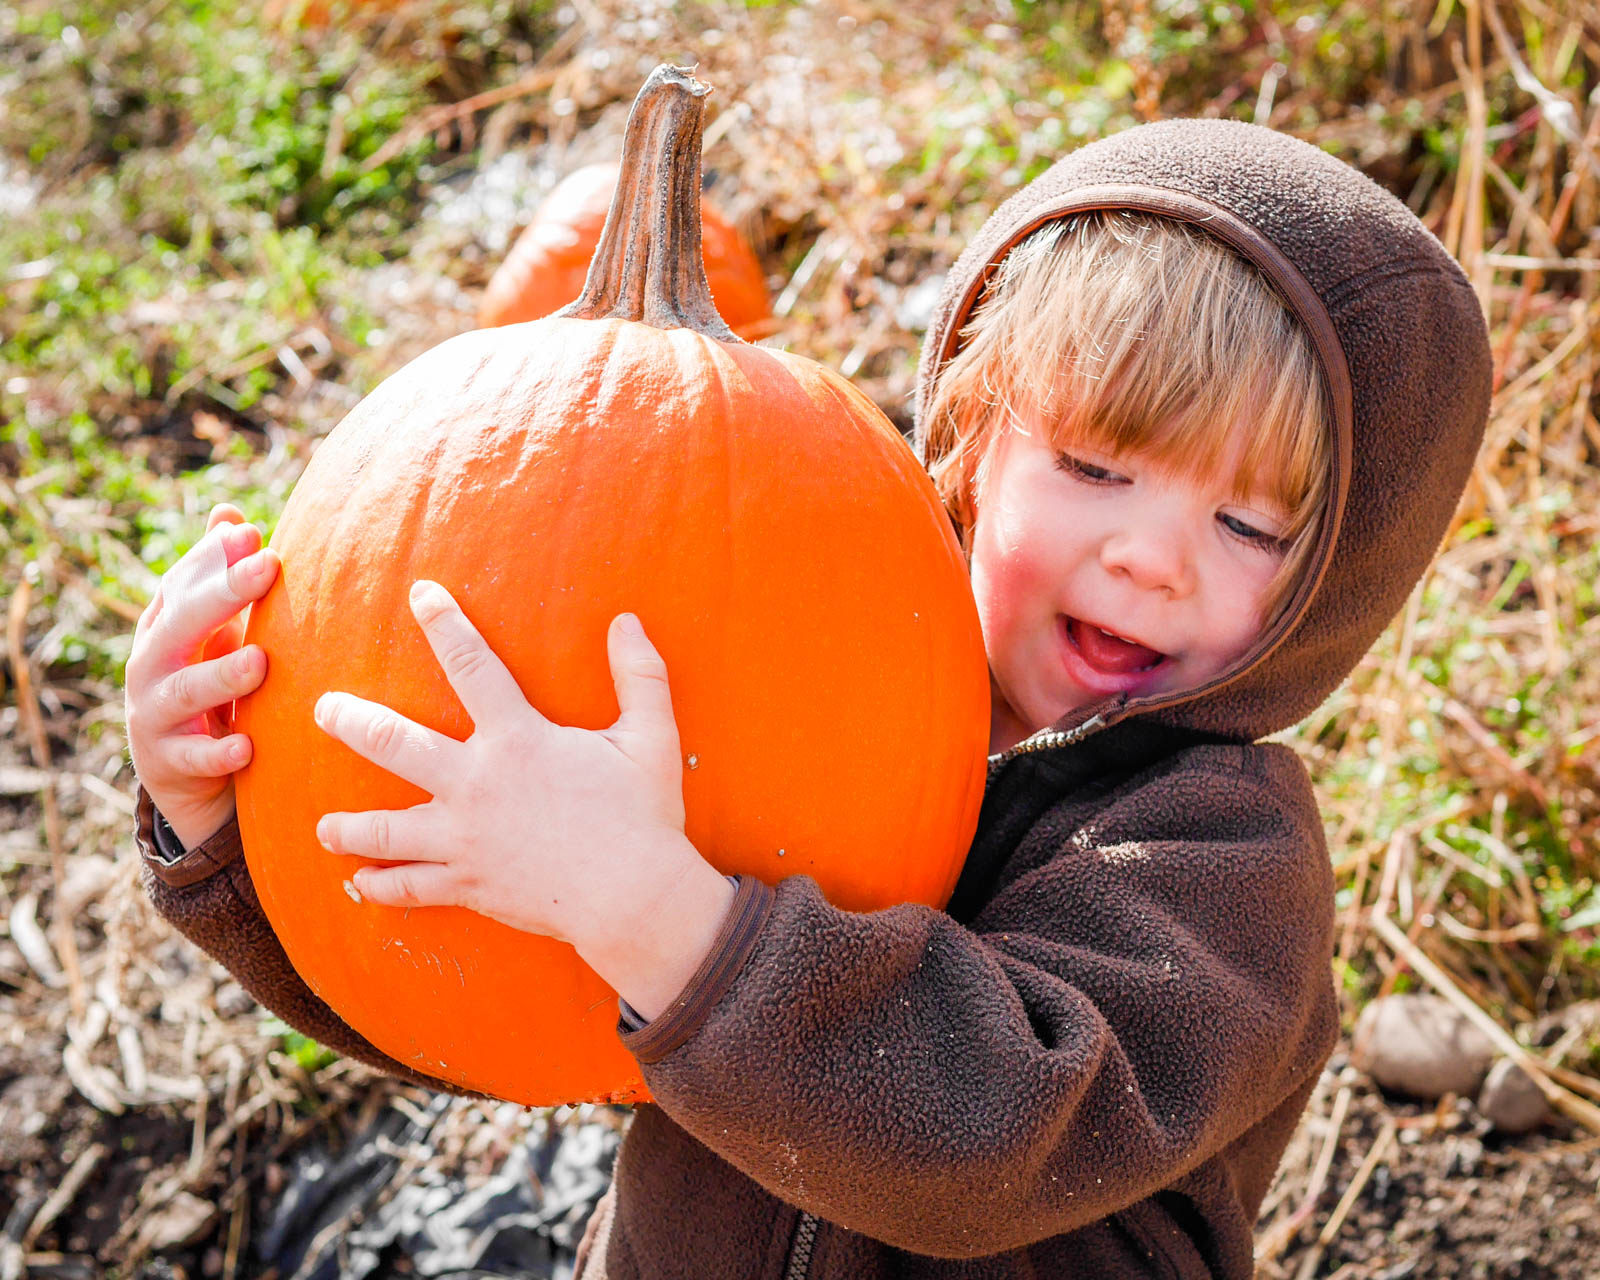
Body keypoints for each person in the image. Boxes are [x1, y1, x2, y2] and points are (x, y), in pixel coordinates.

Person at [125, 117, 1491, 1279]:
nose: (1150, 557)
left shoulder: (1220, 859)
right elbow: (494, 1009)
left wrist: (656, 913)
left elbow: (996, 1140)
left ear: (1335, 579)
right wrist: (219, 833)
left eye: (1249, 528)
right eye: (1095, 468)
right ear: (967, 442)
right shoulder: (814, 699)